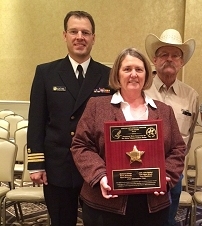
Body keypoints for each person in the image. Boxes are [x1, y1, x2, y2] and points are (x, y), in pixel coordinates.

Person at [70, 48, 186, 226]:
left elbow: (178, 148)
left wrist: (165, 175)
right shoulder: (96, 106)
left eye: (139, 69)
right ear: (117, 74)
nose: (133, 74)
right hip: (106, 203)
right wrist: (101, 175)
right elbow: (80, 145)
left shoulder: (164, 111)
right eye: (127, 69)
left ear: (147, 74)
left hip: (151, 205)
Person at [27, 11, 112, 225]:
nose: (80, 37)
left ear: (94, 38)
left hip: (95, 167)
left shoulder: (108, 75)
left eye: (86, 32)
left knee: (98, 222)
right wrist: (37, 165)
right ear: (65, 35)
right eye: (74, 31)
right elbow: (37, 121)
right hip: (59, 167)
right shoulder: (46, 73)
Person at [144, 28, 199, 226]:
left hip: (173, 175)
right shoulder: (140, 89)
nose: (170, 59)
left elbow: (189, 136)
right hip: (141, 170)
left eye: (175, 55)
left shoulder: (191, 96)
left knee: (167, 221)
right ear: (154, 59)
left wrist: (175, 167)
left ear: (182, 62)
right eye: (164, 54)